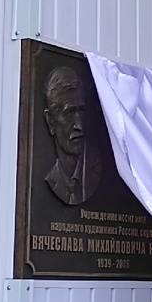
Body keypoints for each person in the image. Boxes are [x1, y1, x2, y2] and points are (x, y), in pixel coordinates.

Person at [42, 65, 102, 205]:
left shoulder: (99, 169)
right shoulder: (52, 178)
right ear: (51, 121)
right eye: (69, 113)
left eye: (81, 111)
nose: (79, 125)